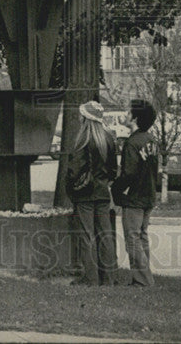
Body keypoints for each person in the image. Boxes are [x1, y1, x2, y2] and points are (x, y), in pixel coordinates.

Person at [67, 100, 119, 285]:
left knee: (86, 236)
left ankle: (91, 278)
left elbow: (74, 171)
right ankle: (109, 278)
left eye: (81, 115)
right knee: (105, 235)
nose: (79, 117)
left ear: (86, 118)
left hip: (85, 195)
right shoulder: (108, 139)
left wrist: (71, 189)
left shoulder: (83, 140)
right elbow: (113, 170)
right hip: (103, 193)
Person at [114, 98, 158, 287]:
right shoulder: (151, 140)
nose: (125, 114)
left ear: (135, 117)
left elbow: (129, 173)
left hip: (134, 197)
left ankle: (143, 280)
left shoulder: (132, 143)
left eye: (128, 111)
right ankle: (141, 277)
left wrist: (116, 189)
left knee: (132, 239)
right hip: (149, 195)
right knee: (142, 237)